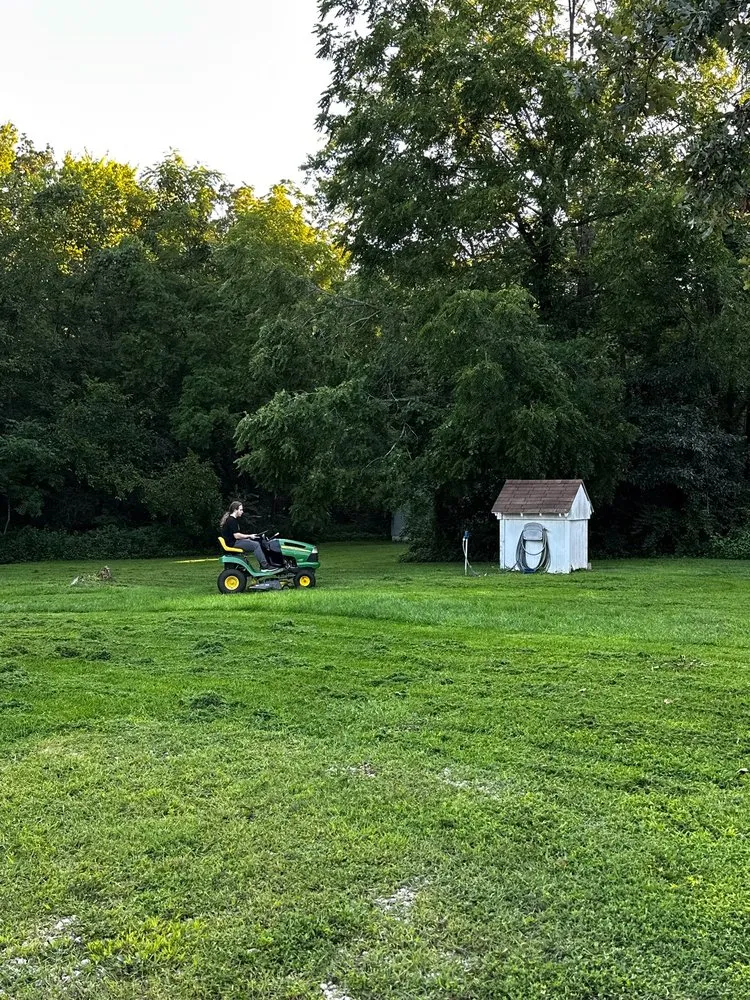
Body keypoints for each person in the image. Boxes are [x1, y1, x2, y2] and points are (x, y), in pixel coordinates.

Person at [219, 501, 271, 570]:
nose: (242, 512)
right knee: (256, 545)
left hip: (233, 542)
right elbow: (236, 536)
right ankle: (265, 566)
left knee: (253, 541)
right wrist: (249, 536)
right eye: (240, 510)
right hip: (233, 543)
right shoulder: (232, 520)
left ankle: (264, 564)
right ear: (235, 510)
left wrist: (249, 537)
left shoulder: (230, 519)